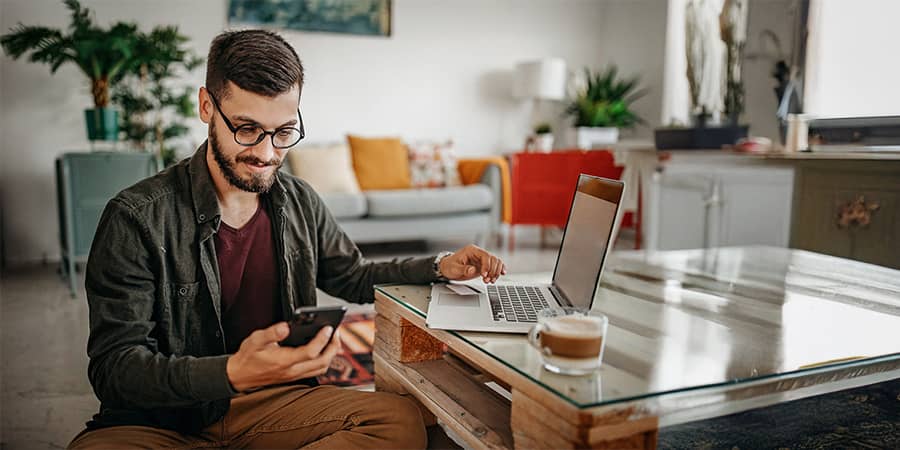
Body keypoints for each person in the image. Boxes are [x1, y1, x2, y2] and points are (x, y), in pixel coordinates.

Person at [68, 29, 506, 449]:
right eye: (246, 129)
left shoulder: (299, 201)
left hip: (272, 403)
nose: (266, 153)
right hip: (162, 420)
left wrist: (437, 267)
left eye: (283, 133)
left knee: (400, 422)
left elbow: (351, 276)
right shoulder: (136, 217)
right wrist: (231, 372)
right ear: (206, 106)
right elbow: (115, 369)